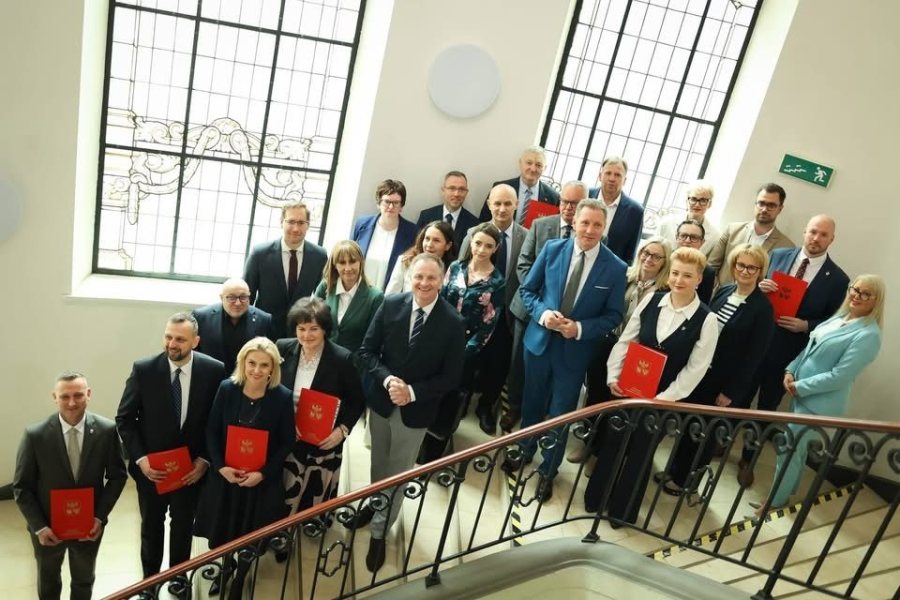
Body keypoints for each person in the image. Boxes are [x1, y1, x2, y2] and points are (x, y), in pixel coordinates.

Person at [501, 198, 626, 502]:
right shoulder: (552, 249)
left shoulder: (616, 267)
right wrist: (543, 314)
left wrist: (579, 328)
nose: (590, 230)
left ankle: (548, 471)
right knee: (531, 403)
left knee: (560, 414)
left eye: (597, 224)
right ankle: (525, 449)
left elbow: (614, 316)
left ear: (605, 227)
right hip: (539, 343)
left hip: (575, 353)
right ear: (574, 222)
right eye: (585, 223)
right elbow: (528, 290)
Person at [584, 247, 719, 523]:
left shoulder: (707, 320)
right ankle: (595, 500)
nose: (679, 280)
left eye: (687, 275)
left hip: (663, 400)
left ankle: (622, 512)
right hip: (628, 390)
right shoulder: (651, 301)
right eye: (675, 273)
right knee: (613, 443)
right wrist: (613, 376)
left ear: (698, 280)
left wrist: (665, 398)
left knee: (641, 454)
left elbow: (696, 369)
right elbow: (626, 340)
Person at [351, 254, 465, 573]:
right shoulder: (390, 305)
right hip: (382, 401)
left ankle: (379, 531)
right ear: (410, 277)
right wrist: (389, 381)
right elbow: (366, 352)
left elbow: (451, 377)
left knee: (399, 472)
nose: (424, 283)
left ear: (442, 280)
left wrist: (411, 392)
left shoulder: (453, 323)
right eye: (418, 277)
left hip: (417, 411)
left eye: (431, 278)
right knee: (378, 464)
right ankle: (376, 504)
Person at [755, 275, 884, 515]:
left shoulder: (869, 335)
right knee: (795, 450)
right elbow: (808, 349)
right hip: (800, 395)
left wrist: (800, 386)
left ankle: (774, 503)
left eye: (866, 293)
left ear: (877, 300)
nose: (857, 296)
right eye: (855, 289)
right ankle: (785, 494)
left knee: (788, 449)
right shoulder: (839, 317)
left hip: (819, 403)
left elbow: (840, 376)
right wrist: (790, 370)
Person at [737, 215, 849, 486]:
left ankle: (748, 459)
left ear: (832, 239)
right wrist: (759, 286)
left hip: (788, 353)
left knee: (767, 407)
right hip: (755, 342)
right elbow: (753, 289)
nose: (816, 238)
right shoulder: (778, 255)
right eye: (813, 232)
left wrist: (806, 325)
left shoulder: (838, 279)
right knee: (738, 396)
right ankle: (722, 442)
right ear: (805, 231)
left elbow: (834, 322)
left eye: (823, 235)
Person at [116, 313, 227, 579]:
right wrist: (141, 460)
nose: (172, 344)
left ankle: (178, 580)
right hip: (152, 471)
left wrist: (205, 460)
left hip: (190, 472)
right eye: (168, 337)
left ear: (195, 341)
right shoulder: (144, 369)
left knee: (182, 529)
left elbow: (218, 422)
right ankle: (149, 583)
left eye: (180, 339)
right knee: (151, 527)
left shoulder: (214, 370)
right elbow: (125, 419)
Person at [660, 244, 774, 495]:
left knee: (705, 435)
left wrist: (731, 392)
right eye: (740, 265)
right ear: (733, 266)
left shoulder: (763, 309)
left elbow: (754, 358)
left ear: (760, 271)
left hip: (724, 383)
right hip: (701, 373)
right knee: (688, 426)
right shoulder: (724, 291)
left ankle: (687, 483)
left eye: (752, 267)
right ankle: (675, 471)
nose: (744, 271)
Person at [193, 337, 295, 597]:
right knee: (226, 531)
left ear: (273, 368)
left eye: (264, 365)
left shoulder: (282, 397)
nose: (257, 370)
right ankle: (226, 569)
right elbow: (212, 431)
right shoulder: (227, 389)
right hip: (227, 478)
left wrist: (263, 473)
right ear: (243, 363)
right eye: (252, 363)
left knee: (252, 534)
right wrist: (220, 467)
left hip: (260, 482)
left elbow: (287, 441)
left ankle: (240, 578)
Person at [13, 371, 127, 600]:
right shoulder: (35, 435)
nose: (72, 403)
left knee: (84, 579)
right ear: (54, 397)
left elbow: (117, 476)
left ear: (89, 394)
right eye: (65, 396)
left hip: (89, 526)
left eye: (78, 395)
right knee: (48, 581)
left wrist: (99, 517)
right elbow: (22, 487)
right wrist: (39, 527)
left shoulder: (106, 430)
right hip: (48, 527)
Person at [573, 236, 673, 464]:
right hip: (607, 343)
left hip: (636, 354)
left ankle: (601, 455)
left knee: (616, 404)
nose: (649, 259)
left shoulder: (665, 290)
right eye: (646, 253)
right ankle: (587, 443)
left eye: (656, 256)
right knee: (595, 396)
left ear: (664, 262)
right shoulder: (624, 276)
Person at [276, 299, 365, 546]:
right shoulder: (282, 349)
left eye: (314, 328)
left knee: (313, 493)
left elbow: (357, 400)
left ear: (325, 329)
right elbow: (273, 391)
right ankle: (282, 536)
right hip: (288, 436)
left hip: (324, 440)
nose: (306, 335)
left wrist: (342, 431)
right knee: (284, 490)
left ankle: (311, 525)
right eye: (301, 328)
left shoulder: (342, 358)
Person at [502, 180, 586, 432]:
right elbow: (523, 264)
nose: (569, 208)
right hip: (530, 309)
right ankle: (513, 407)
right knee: (519, 364)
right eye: (565, 202)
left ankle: (543, 415)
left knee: (551, 366)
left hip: (563, 318)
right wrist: (543, 300)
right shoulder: (540, 225)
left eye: (575, 204)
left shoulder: (593, 235)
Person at [419, 222, 505, 461]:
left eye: (488, 246)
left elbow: (489, 325)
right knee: (429, 395)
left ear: (496, 248)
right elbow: (440, 301)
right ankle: (418, 444)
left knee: (450, 403)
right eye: (478, 243)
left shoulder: (497, 281)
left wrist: (462, 353)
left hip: (466, 353)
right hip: (438, 344)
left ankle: (435, 454)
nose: (481, 249)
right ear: (471, 243)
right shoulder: (455, 267)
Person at [462, 184, 527, 434]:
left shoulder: (526, 236)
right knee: (469, 360)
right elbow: (460, 268)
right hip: (473, 315)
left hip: (506, 316)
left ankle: (486, 407)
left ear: (516, 205)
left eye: (507, 203)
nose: (502, 208)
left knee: (498, 365)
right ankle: (462, 400)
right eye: (497, 203)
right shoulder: (473, 233)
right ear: (489, 204)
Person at [244, 201, 329, 339]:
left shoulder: (319, 256)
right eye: (291, 222)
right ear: (281, 222)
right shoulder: (260, 254)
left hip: (301, 334)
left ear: (308, 225)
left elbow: (323, 298)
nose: (296, 228)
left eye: (301, 223)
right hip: (264, 331)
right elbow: (247, 295)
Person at [707, 183, 795, 288]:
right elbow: (711, 267)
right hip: (719, 293)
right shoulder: (731, 231)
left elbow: (777, 284)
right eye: (761, 203)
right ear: (755, 204)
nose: (764, 209)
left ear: (780, 209)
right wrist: (718, 291)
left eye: (771, 205)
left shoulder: (787, 247)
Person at [314, 240, 384, 358]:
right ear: (335, 265)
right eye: (342, 262)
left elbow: (372, 342)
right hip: (322, 356)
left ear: (361, 262)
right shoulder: (325, 286)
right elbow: (313, 322)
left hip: (354, 362)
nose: (348, 268)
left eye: (352, 261)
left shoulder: (375, 297)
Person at [193, 278, 275, 374]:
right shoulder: (201, 317)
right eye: (231, 298)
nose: (238, 303)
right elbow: (194, 353)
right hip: (210, 377)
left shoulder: (264, 320)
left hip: (248, 379)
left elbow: (270, 355)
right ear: (221, 298)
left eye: (243, 297)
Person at [352, 179, 419, 290]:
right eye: (387, 201)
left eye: (396, 203)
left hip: (389, 295)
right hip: (358, 291)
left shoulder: (412, 231)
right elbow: (351, 257)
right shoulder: (362, 224)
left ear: (401, 206)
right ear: (378, 203)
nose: (391, 207)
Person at [478, 146, 560, 223]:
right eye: (529, 163)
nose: (533, 169)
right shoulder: (499, 188)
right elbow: (484, 222)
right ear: (520, 163)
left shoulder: (553, 198)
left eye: (538, 165)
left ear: (544, 168)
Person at [588, 156, 644, 263]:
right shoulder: (585, 195)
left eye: (618, 175)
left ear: (624, 180)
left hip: (609, 266)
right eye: (608, 173)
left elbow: (630, 252)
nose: (612, 179)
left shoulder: (635, 211)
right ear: (600, 176)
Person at [385, 220, 455, 294]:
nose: (429, 245)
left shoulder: (453, 270)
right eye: (427, 239)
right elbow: (390, 296)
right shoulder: (406, 261)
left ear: (448, 246)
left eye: (436, 240)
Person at [416, 171, 479, 249]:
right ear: (443, 190)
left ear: (466, 192)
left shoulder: (474, 224)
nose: (456, 194)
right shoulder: (426, 216)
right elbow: (417, 247)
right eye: (452, 188)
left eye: (461, 189)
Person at [656, 180, 719, 256]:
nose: (697, 204)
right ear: (686, 201)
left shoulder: (714, 235)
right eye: (693, 199)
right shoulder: (666, 223)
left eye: (703, 200)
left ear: (710, 204)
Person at [671, 219, 715, 305]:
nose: (687, 240)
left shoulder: (707, 272)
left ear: (702, 242)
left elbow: (702, 303)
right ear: (676, 237)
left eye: (694, 237)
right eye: (683, 236)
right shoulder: (664, 260)